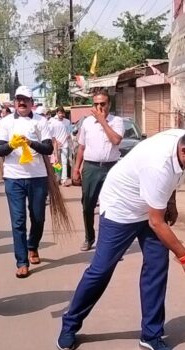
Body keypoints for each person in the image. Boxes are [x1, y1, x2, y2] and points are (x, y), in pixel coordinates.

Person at [57, 125, 185, 350]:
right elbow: (156, 222)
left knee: (157, 267)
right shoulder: (158, 164)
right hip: (121, 209)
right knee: (100, 271)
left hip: (150, 207)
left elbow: (171, 181)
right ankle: (69, 324)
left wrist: (170, 203)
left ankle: (151, 335)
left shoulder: (182, 143)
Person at [0, 86, 53, 279]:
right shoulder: (6, 122)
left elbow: (48, 148)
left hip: (37, 176)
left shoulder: (41, 121)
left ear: (31, 102)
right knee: (18, 221)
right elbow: (0, 149)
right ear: (14, 102)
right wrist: (12, 144)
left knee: (38, 218)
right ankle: (21, 261)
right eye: (18, 99)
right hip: (14, 177)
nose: (22, 103)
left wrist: (30, 143)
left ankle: (32, 246)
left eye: (25, 100)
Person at [73, 90, 125, 252]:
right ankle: (89, 238)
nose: (99, 106)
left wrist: (103, 121)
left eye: (102, 103)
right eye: (96, 104)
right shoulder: (87, 123)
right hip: (91, 168)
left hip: (111, 168)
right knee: (88, 205)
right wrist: (76, 169)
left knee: (110, 206)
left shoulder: (117, 121)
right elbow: (81, 147)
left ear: (109, 104)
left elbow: (116, 140)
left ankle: (107, 242)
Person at [48, 106, 72, 186]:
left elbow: (69, 134)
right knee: (57, 162)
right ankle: (57, 178)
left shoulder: (67, 122)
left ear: (64, 113)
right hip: (56, 145)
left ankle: (64, 179)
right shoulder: (53, 122)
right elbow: (51, 135)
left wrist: (64, 141)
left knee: (64, 162)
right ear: (57, 113)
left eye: (62, 113)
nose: (61, 114)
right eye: (59, 113)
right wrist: (56, 142)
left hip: (64, 145)